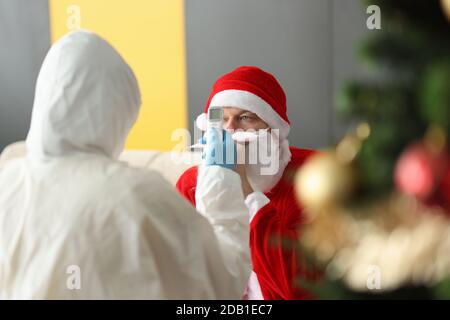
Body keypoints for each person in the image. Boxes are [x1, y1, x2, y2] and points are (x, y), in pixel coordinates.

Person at [0, 30, 251, 299]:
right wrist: (221, 180)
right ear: (118, 113)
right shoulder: (137, 195)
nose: (231, 127)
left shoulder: (7, 181)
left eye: (245, 118)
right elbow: (222, 283)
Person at [176, 66, 321, 300]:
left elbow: (301, 287)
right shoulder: (191, 185)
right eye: (221, 119)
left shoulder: (312, 179)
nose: (230, 129)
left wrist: (241, 185)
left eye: (245, 118)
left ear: (273, 130)